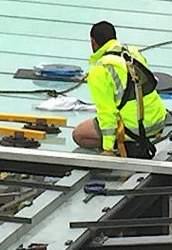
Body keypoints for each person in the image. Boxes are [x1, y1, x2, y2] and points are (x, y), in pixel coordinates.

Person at [71, 21, 166, 159]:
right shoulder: (133, 53)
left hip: (135, 128)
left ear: (93, 42)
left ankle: (127, 145)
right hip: (158, 121)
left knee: (79, 134)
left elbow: (107, 112)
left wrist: (108, 149)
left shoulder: (100, 69)